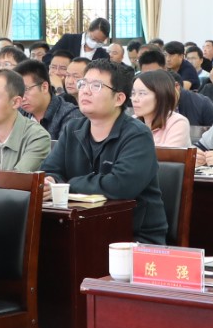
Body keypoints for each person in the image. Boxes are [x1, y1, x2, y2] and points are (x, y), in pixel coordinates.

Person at [42, 62, 166, 244]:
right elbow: (51, 169)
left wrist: (68, 185)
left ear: (119, 99)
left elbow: (120, 185)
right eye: (83, 83)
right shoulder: (73, 129)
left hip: (132, 236)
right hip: (81, 229)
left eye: (96, 86)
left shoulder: (137, 135)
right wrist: (51, 181)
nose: (85, 91)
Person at [128, 68, 191, 148]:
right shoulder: (132, 122)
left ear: (160, 96)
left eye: (142, 93)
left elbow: (167, 155)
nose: (135, 99)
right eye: (133, 93)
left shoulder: (177, 122)